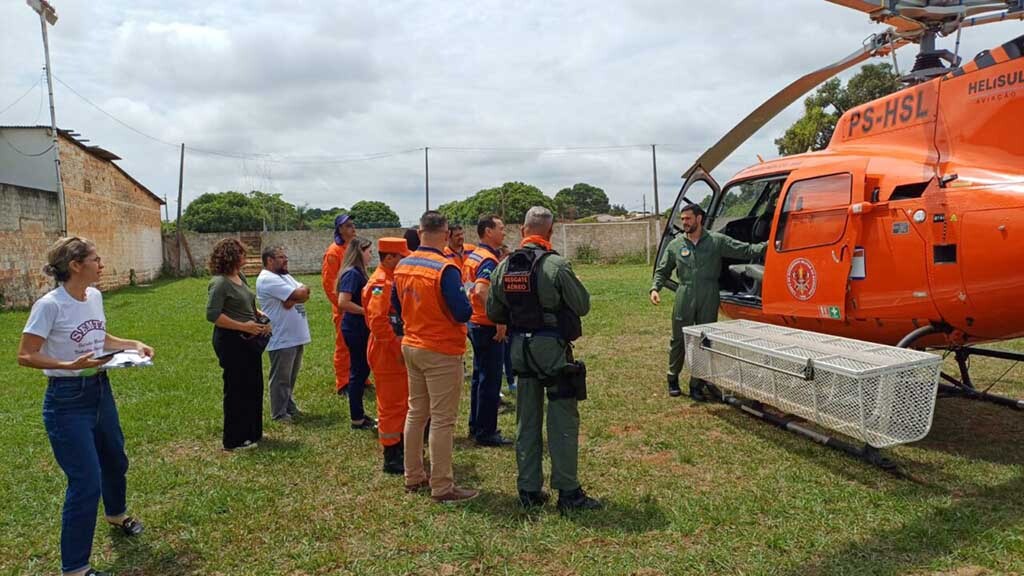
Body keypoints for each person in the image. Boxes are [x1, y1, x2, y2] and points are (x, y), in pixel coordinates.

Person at [17, 237, 153, 576]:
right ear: (76, 265)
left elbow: (101, 338)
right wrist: (68, 366)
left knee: (115, 458)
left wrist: (132, 344)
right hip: (66, 400)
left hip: (99, 390)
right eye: (95, 258)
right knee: (86, 481)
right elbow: (26, 355)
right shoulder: (50, 305)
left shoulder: (94, 296)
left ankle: (116, 514)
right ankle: (75, 567)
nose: (101, 263)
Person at [487, 206, 601, 512]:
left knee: (527, 420)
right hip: (551, 350)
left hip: (519, 353)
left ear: (523, 231)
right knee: (562, 418)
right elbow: (583, 304)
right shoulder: (556, 266)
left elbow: (492, 312)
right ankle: (568, 492)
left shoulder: (503, 267)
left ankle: (528, 490)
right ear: (549, 233)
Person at [392, 210, 478, 503]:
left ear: (419, 231)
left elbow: (395, 304)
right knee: (442, 420)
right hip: (440, 349)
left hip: (412, 345)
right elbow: (462, 312)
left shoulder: (403, 265)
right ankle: (442, 486)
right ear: (444, 233)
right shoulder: (445, 267)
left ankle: (413, 475)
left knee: (416, 413)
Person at [650, 204, 766, 400]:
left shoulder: (716, 241)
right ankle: (673, 378)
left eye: (688, 219)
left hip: (709, 293)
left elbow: (745, 250)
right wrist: (655, 288)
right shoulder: (676, 245)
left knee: (704, 339)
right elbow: (663, 270)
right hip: (684, 293)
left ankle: (697, 383)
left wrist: (769, 245)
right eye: (682, 219)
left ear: (699, 219)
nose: (684, 223)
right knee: (679, 338)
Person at [206, 238, 270, 450]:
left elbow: (247, 303)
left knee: (253, 386)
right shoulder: (220, 283)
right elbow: (213, 315)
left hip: (249, 339)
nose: (245, 256)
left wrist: (261, 317)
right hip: (232, 341)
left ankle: (253, 432)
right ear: (231, 256)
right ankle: (234, 440)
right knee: (236, 390)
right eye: (241, 253)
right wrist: (244, 327)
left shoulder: (239, 276)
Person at [363, 237, 412, 473]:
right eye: (402, 256)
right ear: (390, 258)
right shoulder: (381, 283)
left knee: (402, 402)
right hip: (386, 350)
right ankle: (391, 456)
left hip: (392, 347)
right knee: (392, 404)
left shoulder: (391, 279)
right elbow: (377, 321)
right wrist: (396, 348)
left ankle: (400, 447)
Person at [464, 214, 511, 446]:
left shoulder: (473, 256)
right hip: (487, 325)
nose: (504, 232)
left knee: (479, 379)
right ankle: (486, 432)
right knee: (490, 380)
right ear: (488, 231)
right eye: (501, 228)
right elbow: (482, 291)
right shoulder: (488, 260)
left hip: (474, 322)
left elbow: (469, 289)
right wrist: (499, 319)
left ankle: (476, 425)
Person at [256, 246, 311, 423]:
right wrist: (297, 295)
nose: (285, 260)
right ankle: (279, 413)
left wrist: (293, 298)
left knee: (291, 375)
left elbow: (304, 291)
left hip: (294, 335)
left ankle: (288, 404)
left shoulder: (284, 275)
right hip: (282, 336)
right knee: (281, 378)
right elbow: (300, 292)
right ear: (269, 260)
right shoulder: (267, 279)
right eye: (281, 257)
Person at [337, 236, 376, 430]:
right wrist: (366, 311)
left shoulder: (358, 272)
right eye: (369, 251)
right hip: (355, 328)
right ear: (360, 252)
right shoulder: (352, 274)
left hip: (360, 327)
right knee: (358, 372)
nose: (372, 255)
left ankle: (359, 414)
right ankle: (357, 418)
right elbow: (343, 302)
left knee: (361, 370)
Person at [322, 214, 357, 395]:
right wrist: (342, 305)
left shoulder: (353, 248)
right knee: (343, 345)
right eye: (348, 225)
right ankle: (343, 382)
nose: (353, 228)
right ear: (340, 229)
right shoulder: (334, 252)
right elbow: (329, 284)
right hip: (344, 308)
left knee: (358, 344)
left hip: (355, 306)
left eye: (353, 224)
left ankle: (359, 376)